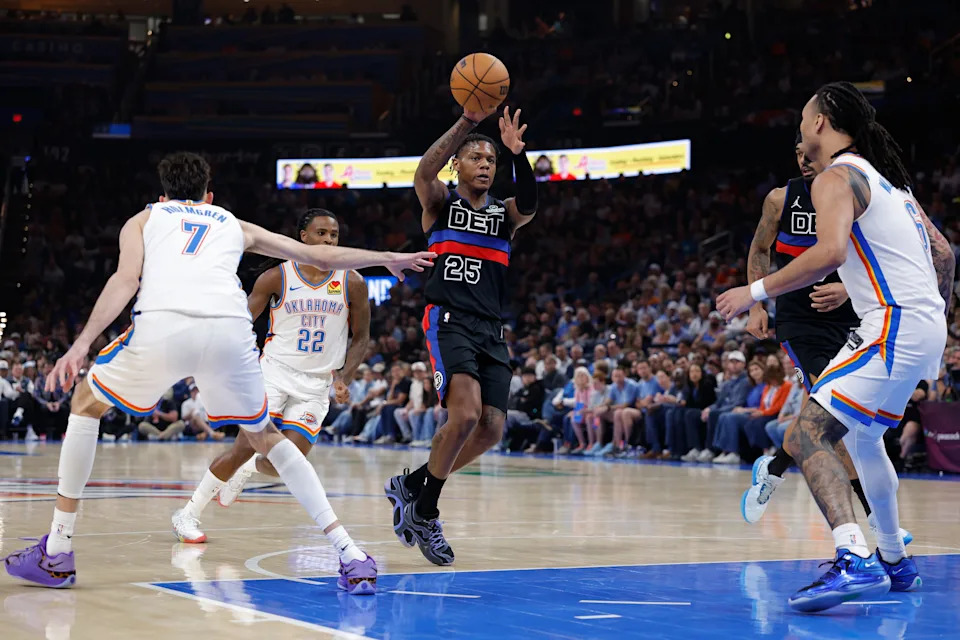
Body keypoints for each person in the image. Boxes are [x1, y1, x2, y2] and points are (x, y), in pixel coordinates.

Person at [2, 151, 434, 595]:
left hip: (166, 324)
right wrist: (388, 257)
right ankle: (351, 554)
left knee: (84, 403)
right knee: (267, 438)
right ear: (208, 196)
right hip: (229, 331)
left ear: (163, 195)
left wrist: (80, 346)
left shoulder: (145, 219)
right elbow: (315, 254)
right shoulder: (232, 222)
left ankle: (58, 549)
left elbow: (126, 280)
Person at [717, 82, 955, 612]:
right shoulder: (890, 182)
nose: (801, 128)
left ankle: (853, 557)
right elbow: (944, 254)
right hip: (919, 324)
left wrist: (753, 292)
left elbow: (829, 253)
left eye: (804, 119)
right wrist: (935, 321)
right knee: (866, 440)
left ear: (821, 122)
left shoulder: (836, 177)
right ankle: (895, 560)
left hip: (891, 323)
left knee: (807, 434)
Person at [385, 105, 538, 566]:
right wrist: (467, 122)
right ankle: (425, 511)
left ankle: (413, 485)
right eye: (476, 157)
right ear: (458, 165)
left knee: (490, 428)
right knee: (466, 414)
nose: (486, 164)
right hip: (448, 319)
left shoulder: (504, 215)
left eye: (491, 160)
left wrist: (517, 155)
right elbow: (423, 171)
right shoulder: (440, 203)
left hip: (491, 328)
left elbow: (530, 204)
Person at [176, 208, 371, 543]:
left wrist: (345, 378)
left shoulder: (352, 281)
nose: (329, 240)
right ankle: (188, 514)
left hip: (316, 383)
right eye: (321, 233)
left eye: (334, 235)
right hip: (274, 374)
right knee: (241, 448)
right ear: (303, 237)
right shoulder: (276, 277)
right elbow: (242, 323)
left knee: (288, 461)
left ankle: (249, 468)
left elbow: (362, 337)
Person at [740, 134, 887, 530]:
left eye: (810, 153)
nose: (804, 160)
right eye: (798, 154)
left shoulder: (856, 194)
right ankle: (873, 515)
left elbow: (876, 255)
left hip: (852, 318)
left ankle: (773, 469)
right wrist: (756, 304)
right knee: (834, 412)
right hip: (799, 322)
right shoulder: (780, 199)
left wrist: (848, 289)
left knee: (833, 414)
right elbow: (760, 249)